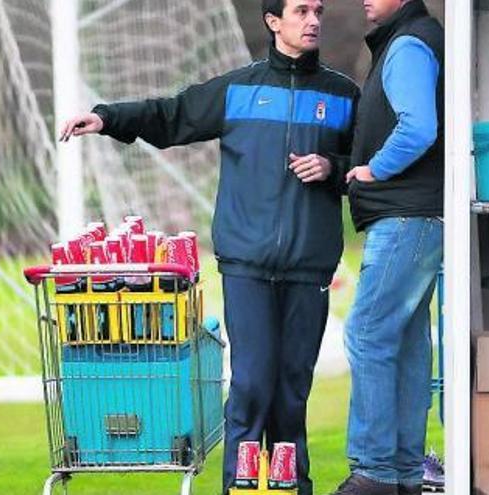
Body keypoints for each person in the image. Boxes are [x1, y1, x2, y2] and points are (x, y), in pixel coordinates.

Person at [60, 1, 358, 493]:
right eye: (301, 10)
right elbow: (171, 115)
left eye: (318, 11)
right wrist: (107, 118)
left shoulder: (344, 95)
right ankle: (236, 488)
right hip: (247, 266)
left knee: (290, 395)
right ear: (272, 21)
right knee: (252, 388)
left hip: (310, 267)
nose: (313, 21)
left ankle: (294, 487)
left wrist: (331, 165)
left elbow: (367, 164)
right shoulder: (238, 90)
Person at [333, 1, 444, 494]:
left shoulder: (408, 44)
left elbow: (418, 126)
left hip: (406, 217)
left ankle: (375, 471)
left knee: (367, 332)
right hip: (420, 217)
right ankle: (402, 475)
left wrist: (375, 168)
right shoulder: (414, 36)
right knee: (405, 344)